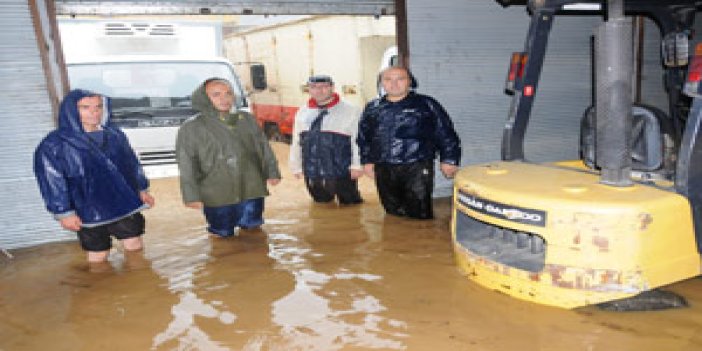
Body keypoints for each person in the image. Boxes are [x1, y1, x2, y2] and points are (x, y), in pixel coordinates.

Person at [34, 89, 155, 263]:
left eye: (98, 107)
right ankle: (101, 287)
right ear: (71, 111)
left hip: (123, 202)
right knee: (98, 255)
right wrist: (64, 212)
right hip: (87, 208)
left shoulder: (115, 135)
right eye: (85, 107)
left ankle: (139, 284)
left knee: (135, 246)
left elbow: (131, 164)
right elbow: (51, 180)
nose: (94, 112)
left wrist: (141, 189)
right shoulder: (54, 144)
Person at [176, 78, 281, 237]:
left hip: (252, 187)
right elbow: (186, 163)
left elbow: (263, 147)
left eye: (228, 93)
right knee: (222, 235)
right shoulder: (191, 127)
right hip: (217, 193)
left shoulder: (246, 119)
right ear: (204, 98)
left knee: (254, 229)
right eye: (216, 94)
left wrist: (272, 172)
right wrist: (191, 196)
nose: (224, 99)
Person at [357, 66, 462, 219]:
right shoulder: (372, 107)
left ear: (410, 81)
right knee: (392, 211)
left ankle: (422, 239)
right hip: (383, 166)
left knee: (419, 212)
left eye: (400, 79)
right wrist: (367, 162)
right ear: (381, 83)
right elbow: (364, 137)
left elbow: (445, 132)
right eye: (388, 79)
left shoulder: (426, 104)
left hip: (417, 165)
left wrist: (449, 160)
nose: (394, 83)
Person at [289, 75, 364, 205]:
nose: (319, 91)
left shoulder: (351, 110)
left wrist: (357, 165)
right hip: (313, 170)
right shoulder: (303, 111)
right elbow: (297, 141)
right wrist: (295, 166)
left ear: (332, 87)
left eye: (324, 87)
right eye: (314, 87)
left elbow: (358, 141)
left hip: (342, 170)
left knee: (350, 205)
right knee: (321, 206)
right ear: (309, 90)